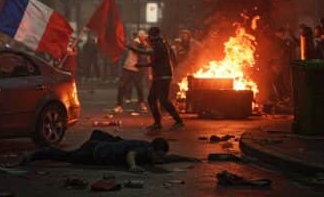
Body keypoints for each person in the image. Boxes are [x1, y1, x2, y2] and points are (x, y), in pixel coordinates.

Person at [20, 130, 195, 171]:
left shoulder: (154, 152)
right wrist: (133, 167)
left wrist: (191, 159)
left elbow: (171, 157)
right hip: (95, 152)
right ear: (152, 149)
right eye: (159, 156)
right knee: (66, 157)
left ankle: (36, 155)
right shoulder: (143, 149)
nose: (160, 160)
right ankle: (33, 155)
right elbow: (131, 154)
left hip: (101, 145)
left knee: (66, 156)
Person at [129, 27, 184, 131]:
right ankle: (158, 123)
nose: (148, 38)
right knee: (152, 99)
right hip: (160, 76)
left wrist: (133, 50)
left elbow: (149, 55)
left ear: (152, 35)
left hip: (163, 76)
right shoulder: (161, 42)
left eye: (149, 35)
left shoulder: (158, 45)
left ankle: (178, 121)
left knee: (163, 100)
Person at [115, 38, 147, 114]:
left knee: (139, 87)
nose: (134, 43)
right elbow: (122, 57)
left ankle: (141, 103)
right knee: (122, 86)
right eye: (134, 42)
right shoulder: (128, 50)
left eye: (136, 43)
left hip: (136, 70)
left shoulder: (140, 50)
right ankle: (119, 105)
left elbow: (141, 53)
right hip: (127, 69)